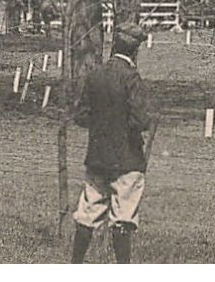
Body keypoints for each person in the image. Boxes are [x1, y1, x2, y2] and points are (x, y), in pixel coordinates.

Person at [71, 23, 152, 264]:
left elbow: (81, 116)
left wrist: (102, 125)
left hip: (97, 158)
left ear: (114, 45)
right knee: (123, 219)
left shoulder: (95, 74)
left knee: (87, 215)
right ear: (135, 50)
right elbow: (141, 120)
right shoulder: (131, 77)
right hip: (127, 159)